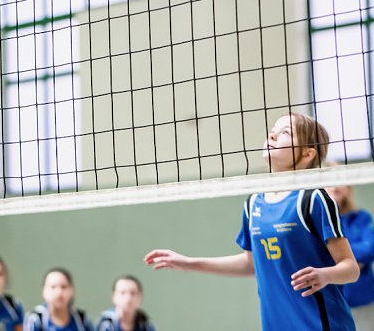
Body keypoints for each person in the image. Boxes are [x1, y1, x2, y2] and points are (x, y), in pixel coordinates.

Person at [144, 113, 359, 331]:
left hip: (322, 324)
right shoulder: (254, 203)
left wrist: (325, 275)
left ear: (307, 153)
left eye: (285, 132)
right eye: (274, 129)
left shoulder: (314, 199)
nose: (273, 135)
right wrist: (189, 263)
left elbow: (351, 268)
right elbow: (251, 263)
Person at [326, 181, 374, 331]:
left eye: (340, 182)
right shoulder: (316, 220)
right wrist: (352, 260)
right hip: (331, 303)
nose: (334, 187)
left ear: (348, 188)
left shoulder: (361, 217)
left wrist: (337, 256)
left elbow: (371, 249)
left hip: (362, 300)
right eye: (329, 183)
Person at [24, 268, 92, 331]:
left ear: (71, 290)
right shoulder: (35, 318)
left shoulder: (82, 319)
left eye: (64, 287)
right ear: (43, 291)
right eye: (53, 287)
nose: (59, 293)